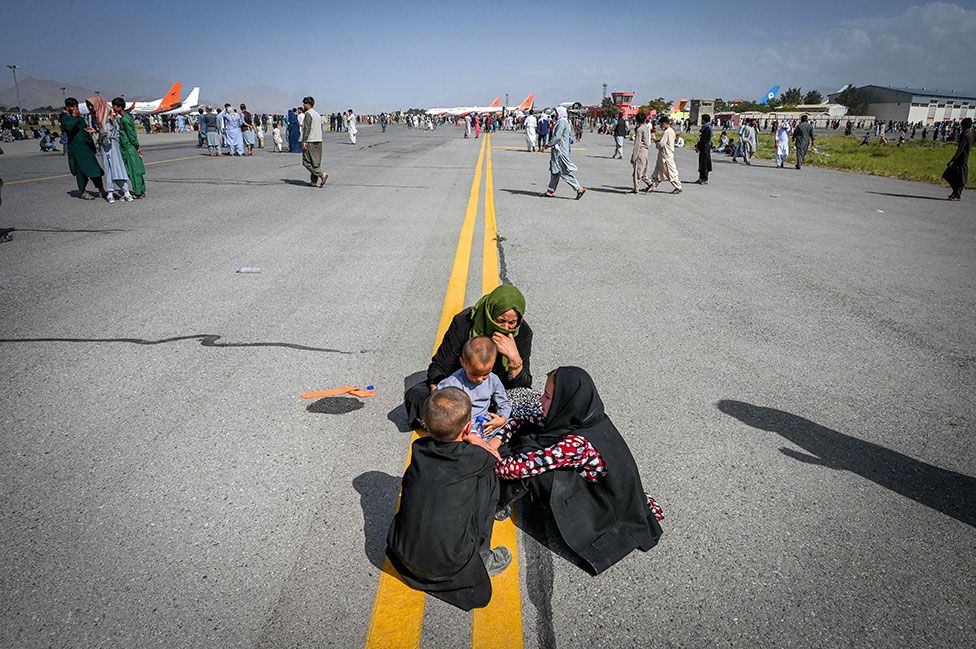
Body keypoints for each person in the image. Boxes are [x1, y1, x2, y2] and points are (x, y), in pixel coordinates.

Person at [489, 367, 664, 574]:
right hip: (612, 489)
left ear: (565, 400)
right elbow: (526, 418)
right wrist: (498, 438)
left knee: (536, 469)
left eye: (547, 397)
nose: (540, 401)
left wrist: (488, 460)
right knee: (531, 434)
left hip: (603, 506)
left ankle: (493, 503)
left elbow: (522, 468)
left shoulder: (577, 444)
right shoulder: (583, 416)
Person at [386, 388, 511, 611]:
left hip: (403, 553)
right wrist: (475, 439)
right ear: (467, 427)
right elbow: (494, 458)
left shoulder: (419, 450)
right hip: (448, 564)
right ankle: (483, 555)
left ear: (425, 422)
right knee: (488, 479)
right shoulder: (475, 458)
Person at [403, 284, 533, 428]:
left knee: (530, 402)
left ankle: (458, 425)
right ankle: (456, 425)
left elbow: (523, 387)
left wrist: (514, 359)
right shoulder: (465, 322)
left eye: (512, 322)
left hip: (494, 393)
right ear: (489, 313)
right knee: (417, 396)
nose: (506, 327)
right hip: (459, 389)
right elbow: (439, 365)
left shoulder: (522, 333)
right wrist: (440, 398)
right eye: (501, 320)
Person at [437, 337, 512, 436]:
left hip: (486, 425)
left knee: (515, 425)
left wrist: (501, 419)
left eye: (486, 374)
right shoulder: (452, 384)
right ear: (463, 362)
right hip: (462, 429)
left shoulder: (493, 380)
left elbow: (504, 403)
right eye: (475, 374)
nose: (480, 379)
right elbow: (438, 407)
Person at [60, 97, 107, 200]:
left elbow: (85, 131)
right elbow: (69, 128)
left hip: (86, 148)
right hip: (76, 149)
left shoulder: (80, 119)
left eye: (76, 106)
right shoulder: (65, 119)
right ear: (68, 107)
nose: (75, 108)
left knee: (94, 169)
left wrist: (92, 143)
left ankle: (101, 190)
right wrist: (75, 117)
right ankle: (83, 191)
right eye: (72, 106)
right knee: (80, 172)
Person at [88, 96, 132, 203]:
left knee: (118, 167)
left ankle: (126, 192)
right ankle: (110, 193)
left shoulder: (109, 116)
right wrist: (95, 132)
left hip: (113, 146)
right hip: (104, 147)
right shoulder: (93, 117)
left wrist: (98, 132)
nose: (90, 107)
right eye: (89, 105)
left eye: (92, 105)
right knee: (108, 169)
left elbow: (112, 132)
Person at [543, 106, 585, 199]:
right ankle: (550, 191)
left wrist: (548, 145)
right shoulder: (564, 121)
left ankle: (578, 188)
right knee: (555, 170)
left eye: (557, 113)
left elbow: (557, 136)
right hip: (559, 150)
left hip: (560, 151)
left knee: (562, 171)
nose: (555, 114)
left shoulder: (562, 122)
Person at [112, 98, 146, 199]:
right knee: (136, 169)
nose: (113, 108)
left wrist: (136, 146)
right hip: (128, 146)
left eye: (114, 106)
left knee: (133, 170)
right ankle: (141, 190)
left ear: (119, 107)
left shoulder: (125, 119)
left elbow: (131, 134)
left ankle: (138, 192)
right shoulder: (124, 117)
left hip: (128, 147)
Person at [648, 115, 682, 194]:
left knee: (670, 172)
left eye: (660, 124)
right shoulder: (671, 131)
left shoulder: (667, 132)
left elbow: (661, 144)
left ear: (664, 123)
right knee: (658, 172)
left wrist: (657, 143)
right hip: (664, 155)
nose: (660, 126)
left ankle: (678, 186)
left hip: (666, 155)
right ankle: (652, 185)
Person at [300, 96, 329, 188]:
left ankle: (321, 174)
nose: (303, 105)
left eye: (304, 104)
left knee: (306, 162)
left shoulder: (308, 114)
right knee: (315, 162)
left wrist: (304, 141)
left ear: (308, 104)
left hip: (310, 141)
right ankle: (313, 181)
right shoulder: (317, 114)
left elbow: (306, 128)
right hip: (318, 140)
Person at [943, 117, 972, 201]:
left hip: (961, 160)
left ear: (963, 125)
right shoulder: (970, 134)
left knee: (952, 176)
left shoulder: (966, 135)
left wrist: (952, 160)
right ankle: (955, 193)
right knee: (956, 177)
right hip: (963, 159)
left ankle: (957, 194)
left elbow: (960, 149)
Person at [629, 112, 651, 193]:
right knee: (643, 170)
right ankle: (649, 183)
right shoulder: (646, 128)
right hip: (645, 151)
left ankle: (636, 188)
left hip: (640, 151)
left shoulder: (639, 129)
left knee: (637, 171)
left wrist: (633, 156)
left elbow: (637, 144)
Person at [694, 114, 713, 185]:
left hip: (705, 148)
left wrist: (698, 147)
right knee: (702, 163)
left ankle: (704, 178)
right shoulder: (707, 127)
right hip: (705, 147)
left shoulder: (707, 128)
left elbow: (704, 140)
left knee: (704, 163)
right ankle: (701, 178)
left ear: (704, 120)